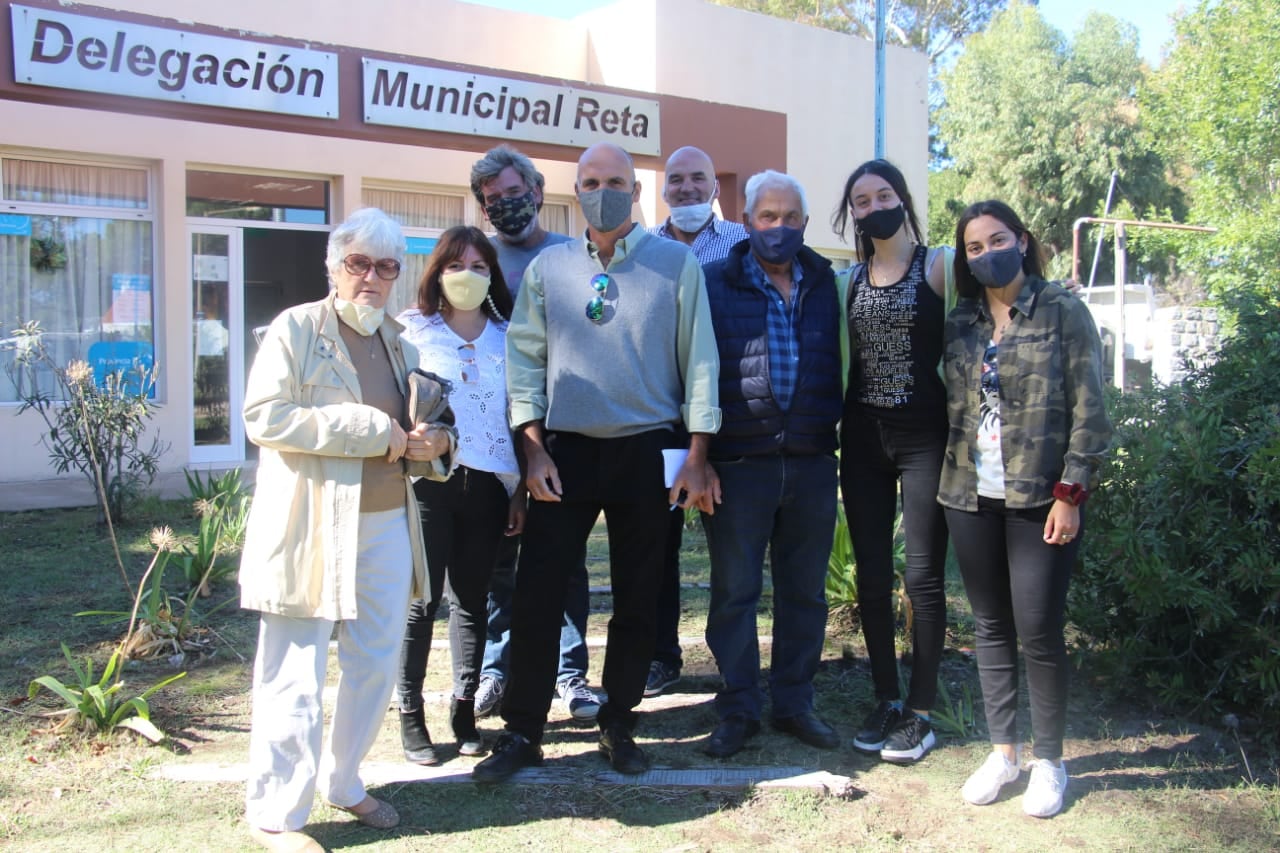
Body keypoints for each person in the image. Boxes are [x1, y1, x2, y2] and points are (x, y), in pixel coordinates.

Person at [473, 142, 720, 782]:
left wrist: (697, 454)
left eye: (614, 181)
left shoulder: (675, 264)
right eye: (590, 181)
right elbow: (524, 361)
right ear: (574, 190)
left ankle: (619, 723)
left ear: (636, 191)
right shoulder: (549, 270)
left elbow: (700, 361)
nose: (601, 190)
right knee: (538, 593)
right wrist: (530, 448)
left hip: (649, 448)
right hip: (564, 453)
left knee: (640, 594)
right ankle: (523, 731)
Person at [239, 208, 453, 851]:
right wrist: (365, 429)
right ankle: (277, 815)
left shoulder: (401, 342)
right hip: (308, 526)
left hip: (387, 522)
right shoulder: (296, 329)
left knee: (375, 663)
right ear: (334, 267)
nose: (372, 277)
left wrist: (434, 443)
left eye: (385, 267)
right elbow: (264, 417)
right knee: (293, 672)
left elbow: (423, 431)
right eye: (359, 263)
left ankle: (345, 780)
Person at [940, 200, 1110, 819]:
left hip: (1040, 498)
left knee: (1038, 631)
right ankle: (1003, 752)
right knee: (989, 627)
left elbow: (1090, 408)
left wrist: (1072, 493)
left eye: (997, 240)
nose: (987, 253)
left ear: (1022, 239)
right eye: (975, 247)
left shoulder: (1064, 310)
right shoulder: (961, 321)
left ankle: (1050, 761)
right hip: (970, 494)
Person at [698, 170, 843, 758]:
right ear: (747, 218)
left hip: (810, 463)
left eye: (789, 218)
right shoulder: (711, 283)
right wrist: (698, 459)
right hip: (739, 464)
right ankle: (737, 706)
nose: (778, 228)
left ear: (803, 223)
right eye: (767, 216)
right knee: (735, 591)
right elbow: (692, 375)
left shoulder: (828, 283)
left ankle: (794, 702)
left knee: (804, 592)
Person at [468, 145, 598, 723]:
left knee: (564, 557)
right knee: (500, 558)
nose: (505, 206)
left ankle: (570, 674)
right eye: (493, 200)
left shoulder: (573, 257)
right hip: (494, 433)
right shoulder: (478, 264)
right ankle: (498, 669)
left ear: (539, 193)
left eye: (514, 195)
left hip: (563, 431)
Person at [831, 159, 954, 764]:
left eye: (883, 194)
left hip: (926, 439)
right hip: (862, 441)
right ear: (852, 213)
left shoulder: (940, 266)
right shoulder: (848, 281)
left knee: (923, 577)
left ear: (903, 199)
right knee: (874, 576)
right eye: (860, 199)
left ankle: (921, 712)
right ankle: (886, 695)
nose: (873, 205)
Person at [394, 227, 524, 764]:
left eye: (478, 265)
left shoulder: (511, 335)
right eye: (454, 265)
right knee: (421, 602)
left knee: (472, 602)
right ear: (436, 273)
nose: (465, 275)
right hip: (428, 485)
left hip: (491, 486)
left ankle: (464, 708)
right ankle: (410, 714)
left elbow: (523, 415)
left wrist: (518, 494)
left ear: (492, 273)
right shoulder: (409, 332)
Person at [644, 145, 750, 699]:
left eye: (698, 179)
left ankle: (736, 665)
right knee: (657, 545)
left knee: (729, 547)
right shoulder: (645, 247)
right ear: (664, 189)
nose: (686, 188)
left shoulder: (742, 243)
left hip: (726, 416)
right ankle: (662, 656)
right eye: (677, 180)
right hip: (661, 417)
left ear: (715, 186)